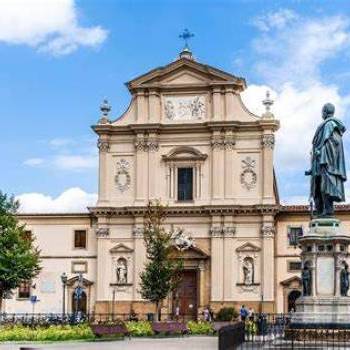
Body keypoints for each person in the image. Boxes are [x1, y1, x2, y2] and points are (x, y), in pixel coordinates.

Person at [305, 103, 347, 217]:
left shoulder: (330, 125)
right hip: (318, 165)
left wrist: (321, 154)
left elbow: (333, 144)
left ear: (324, 112)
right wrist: (312, 167)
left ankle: (328, 211)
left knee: (326, 187)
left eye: (322, 111)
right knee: (317, 190)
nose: (321, 114)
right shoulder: (325, 126)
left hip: (326, 164)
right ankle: (320, 212)